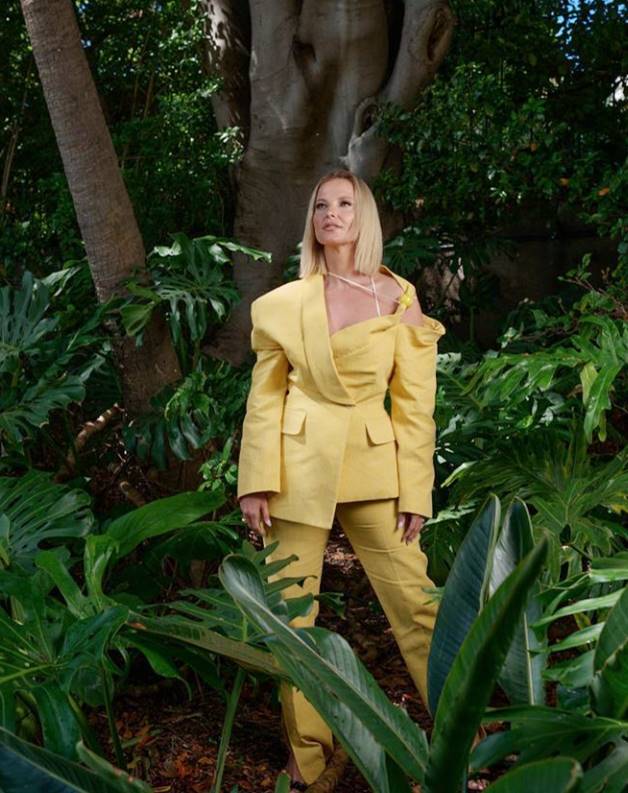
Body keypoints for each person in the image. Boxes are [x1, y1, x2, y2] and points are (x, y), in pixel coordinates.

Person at [237, 168, 446, 791]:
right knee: (290, 618)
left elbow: (415, 406)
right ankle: (308, 758)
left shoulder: (398, 297)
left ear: (364, 217)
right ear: (312, 220)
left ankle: (464, 733)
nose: (331, 213)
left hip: (376, 467)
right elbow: (263, 399)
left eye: (345, 204)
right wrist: (254, 480)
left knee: (418, 604)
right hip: (294, 469)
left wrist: (416, 491)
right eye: (321, 204)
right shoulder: (282, 305)